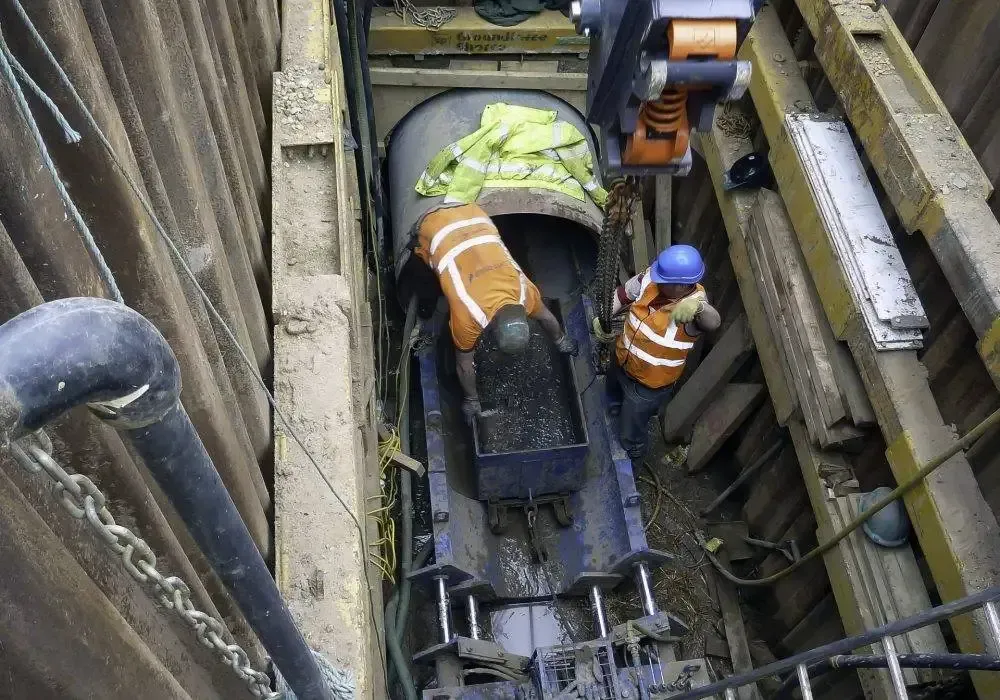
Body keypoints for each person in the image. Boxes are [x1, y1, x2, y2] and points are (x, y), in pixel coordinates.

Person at [412, 203, 578, 423]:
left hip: (474, 215)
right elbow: (463, 364)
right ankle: (424, 299)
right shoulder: (469, 315)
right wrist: (471, 399)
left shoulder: (525, 294)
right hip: (435, 227)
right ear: (492, 326)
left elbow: (546, 317)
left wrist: (561, 341)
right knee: (428, 282)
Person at [604, 244, 720, 461]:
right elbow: (622, 295)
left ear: (682, 285)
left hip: (647, 386)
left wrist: (700, 308)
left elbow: (714, 322)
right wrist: (602, 319)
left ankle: (633, 452)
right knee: (612, 395)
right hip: (621, 361)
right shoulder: (650, 277)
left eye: (663, 280)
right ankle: (612, 411)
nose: (656, 280)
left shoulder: (692, 310)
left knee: (632, 428)